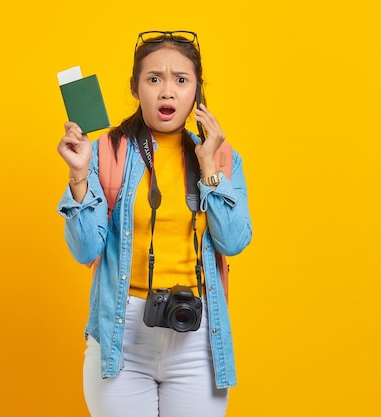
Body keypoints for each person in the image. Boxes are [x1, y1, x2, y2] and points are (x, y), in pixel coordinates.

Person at [57, 30, 252, 417]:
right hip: (120, 333)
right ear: (136, 88)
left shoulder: (223, 156)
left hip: (196, 334)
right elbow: (85, 249)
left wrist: (210, 167)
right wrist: (79, 176)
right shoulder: (105, 152)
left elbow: (233, 242)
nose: (168, 91)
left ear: (197, 91)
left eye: (181, 80)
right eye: (154, 79)